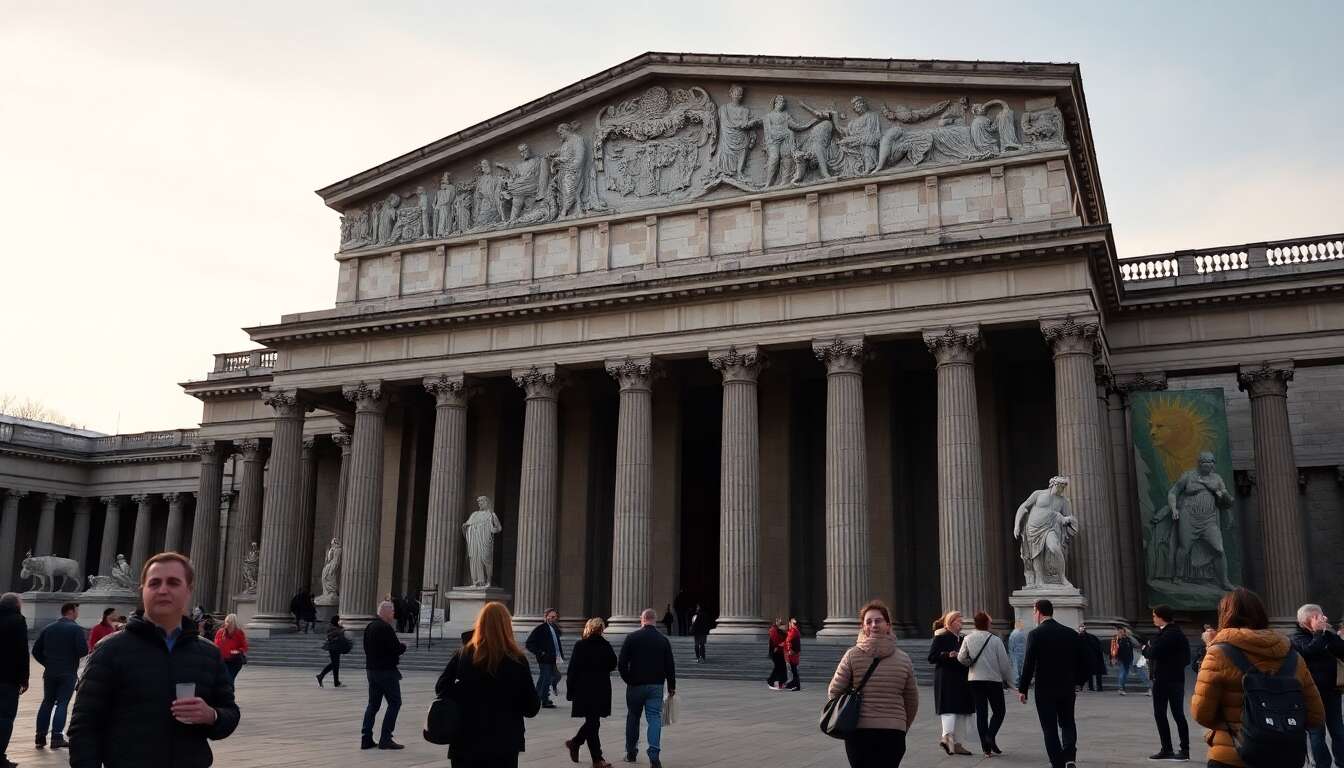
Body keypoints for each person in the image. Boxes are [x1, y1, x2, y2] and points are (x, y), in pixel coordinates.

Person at [68, 552, 240, 768]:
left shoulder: (209, 653)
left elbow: (230, 713)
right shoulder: (110, 650)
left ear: (189, 591)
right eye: (154, 583)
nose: (163, 590)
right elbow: (84, 727)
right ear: (143, 591)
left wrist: (212, 715)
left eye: (174, 583)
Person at [1193, 587, 1325, 768]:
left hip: (1233, 755)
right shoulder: (1293, 655)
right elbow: (1316, 716)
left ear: (1225, 615)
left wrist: (1236, 727)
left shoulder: (1217, 653)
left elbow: (1201, 713)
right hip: (1284, 755)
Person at [437, 601, 541, 768]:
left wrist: (465, 692)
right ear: (507, 626)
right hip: (503, 742)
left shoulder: (464, 654)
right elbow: (531, 707)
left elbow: (442, 688)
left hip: (465, 739)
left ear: (480, 624)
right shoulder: (517, 660)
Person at [827, 600, 919, 768]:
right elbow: (912, 701)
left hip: (859, 731)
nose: (873, 625)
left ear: (888, 625)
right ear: (863, 626)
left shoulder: (852, 655)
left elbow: (834, 691)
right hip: (893, 732)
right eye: (869, 621)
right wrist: (902, 724)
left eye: (878, 620)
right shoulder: (903, 658)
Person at [1017, 599, 1089, 768]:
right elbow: (1083, 661)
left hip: (1045, 688)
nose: (1033, 615)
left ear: (1038, 612)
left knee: (1049, 727)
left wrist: (1023, 688)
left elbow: (1029, 664)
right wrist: (1078, 682)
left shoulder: (1035, 634)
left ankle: (1057, 762)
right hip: (1067, 687)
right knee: (1068, 722)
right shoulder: (1070, 633)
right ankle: (1070, 757)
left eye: (1034, 611)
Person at [618, 608, 676, 768]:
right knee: (654, 718)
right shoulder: (663, 640)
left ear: (642, 619)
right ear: (655, 620)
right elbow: (670, 665)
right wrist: (671, 686)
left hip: (635, 685)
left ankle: (631, 753)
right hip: (656, 685)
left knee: (633, 717)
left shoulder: (632, 637)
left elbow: (621, 663)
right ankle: (654, 754)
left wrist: (628, 679)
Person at [1291, 603, 1344, 768]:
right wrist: (1318, 633)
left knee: (1338, 731)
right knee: (1317, 733)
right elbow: (1310, 651)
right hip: (1311, 694)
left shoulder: (1325, 634)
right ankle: (1322, 765)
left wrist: (1328, 633)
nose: (1323, 619)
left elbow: (1342, 650)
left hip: (1332, 691)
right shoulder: (1296, 638)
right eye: (1319, 617)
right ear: (1308, 620)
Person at [958, 611, 1014, 756]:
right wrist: (1011, 682)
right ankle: (990, 735)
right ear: (987, 623)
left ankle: (986, 748)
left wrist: (969, 663)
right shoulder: (995, 640)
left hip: (975, 680)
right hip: (993, 680)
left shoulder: (968, 638)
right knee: (999, 711)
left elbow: (961, 657)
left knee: (981, 713)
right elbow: (1004, 663)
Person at [32, 601, 86, 749]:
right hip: (68, 671)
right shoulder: (76, 629)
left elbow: (36, 651)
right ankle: (56, 737)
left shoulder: (48, 628)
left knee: (47, 702)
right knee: (62, 704)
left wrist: (47, 663)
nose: (77, 613)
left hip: (50, 671)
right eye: (76, 610)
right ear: (71, 611)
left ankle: (40, 736)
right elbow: (83, 650)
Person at [565, 617, 618, 767]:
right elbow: (612, 664)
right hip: (600, 690)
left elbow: (572, 670)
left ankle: (575, 743)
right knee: (593, 723)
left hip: (584, 690)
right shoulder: (606, 646)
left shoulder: (580, 645)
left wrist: (570, 690)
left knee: (592, 722)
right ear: (601, 630)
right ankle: (597, 759)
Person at [1142, 604, 1192, 761]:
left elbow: (1153, 653)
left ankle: (1171, 749)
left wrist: (1145, 648)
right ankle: (1179, 749)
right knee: (1177, 714)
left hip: (1164, 680)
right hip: (1176, 679)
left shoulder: (1168, 634)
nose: (1153, 618)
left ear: (1161, 617)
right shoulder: (1177, 633)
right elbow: (1186, 658)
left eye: (1154, 616)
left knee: (1162, 714)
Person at [362, 600, 406, 750]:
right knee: (395, 703)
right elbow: (396, 648)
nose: (394, 614)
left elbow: (366, 648)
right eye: (392, 611)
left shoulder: (369, 627)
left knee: (373, 705)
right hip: (386, 671)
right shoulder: (385, 628)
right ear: (386, 612)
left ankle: (366, 738)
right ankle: (386, 738)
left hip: (371, 670)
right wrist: (404, 646)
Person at [929, 610, 974, 755]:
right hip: (946, 678)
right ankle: (947, 739)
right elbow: (932, 657)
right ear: (950, 622)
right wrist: (947, 654)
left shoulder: (963, 639)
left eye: (961, 620)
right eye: (958, 620)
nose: (961, 622)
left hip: (962, 678)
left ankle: (958, 744)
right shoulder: (941, 638)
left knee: (962, 712)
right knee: (949, 709)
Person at [0, 593, 27, 767]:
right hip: (8, 678)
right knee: (5, 718)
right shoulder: (18, 620)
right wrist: (24, 679)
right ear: (16, 605)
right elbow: (22, 651)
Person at [525, 608, 565, 709]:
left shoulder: (555, 628)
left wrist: (560, 654)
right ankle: (543, 700)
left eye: (555, 617)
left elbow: (556, 643)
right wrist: (540, 653)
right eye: (551, 617)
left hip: (553, 658)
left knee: (553, 676)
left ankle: (538, 698)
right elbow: (529, 643)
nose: (554, 619)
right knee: (545, 678)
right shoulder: (541, 628)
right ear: (546, 617)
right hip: (544, 659)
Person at [214, 613, 248, 683]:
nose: (228, 624)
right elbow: (215, 645)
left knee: (229, 680)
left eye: (230, 622)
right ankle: (228, 692)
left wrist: (237, 651)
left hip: (234, 661)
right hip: (223, 660)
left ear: (234, 623)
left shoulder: (239, 633)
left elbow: (244, 646)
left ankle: (229, 692)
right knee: (225, 680)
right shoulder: (220, 632)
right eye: (227, 621)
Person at [317, 615, 349, 688]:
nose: (339, 621)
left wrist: (341, 629)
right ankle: (322, 676)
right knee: (335, 664)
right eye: (338, 620)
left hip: (337, 647)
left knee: (335, 664)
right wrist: (341, 630)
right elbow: (331, 636)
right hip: (333, 648)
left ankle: (335, 681)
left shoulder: (336, 627)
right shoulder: (331, 627)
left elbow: (340, 634)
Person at [1078, 623, 1107, 692]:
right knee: (1092, 673)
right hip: (1093, 657)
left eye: (1081, 627)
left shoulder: (1084, 637)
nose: (1081, 629)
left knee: (1090, 672)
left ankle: (1091, 687)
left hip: (1091, 657)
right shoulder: (1090, 637)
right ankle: (1095, 687)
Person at [1111, 625, 1139, 695]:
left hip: (1129, 659)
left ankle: (1122, 688)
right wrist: (1113, 658)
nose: (1120, 633)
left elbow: (1136, 644)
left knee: (1125, 674)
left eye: (1122, 632)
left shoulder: (1128, 639)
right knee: (1122, 673)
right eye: (1119, 632)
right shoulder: (1116, 639)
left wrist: (1129, 636)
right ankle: (1121, 688)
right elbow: (1113, 649)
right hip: (1121, 659)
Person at [767, 618, 788, 690]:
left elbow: (786, 640)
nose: (785, 627)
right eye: (782, 624)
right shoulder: (774, 630)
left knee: (783, 667)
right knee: (778, 667)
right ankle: (770, 682)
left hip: (781, 652)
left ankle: (782, 682)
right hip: (776, 652)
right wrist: (779, 645)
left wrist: (784, 644)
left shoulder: (781, 632)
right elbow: (775, 641)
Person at [785, 617, 803, 691]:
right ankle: (792, 684)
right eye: (792, 623)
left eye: (794, 623)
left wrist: (790, 650)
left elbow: (789, 641)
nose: (792, 624)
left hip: (793, 654)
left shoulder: (793, 631)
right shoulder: (793, 631)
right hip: (793, 653)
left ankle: (796, 685)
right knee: (793, 670)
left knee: (794, 670)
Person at [1008, 619, 1027, 686]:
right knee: (1021, 667)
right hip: (1022, 652)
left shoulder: (1013, 633)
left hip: (1016, 653)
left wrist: (1010, 653)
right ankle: (1021, 681)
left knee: (1016, 668)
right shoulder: (1023, 633)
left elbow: (1011, 645)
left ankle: (1017, 682)